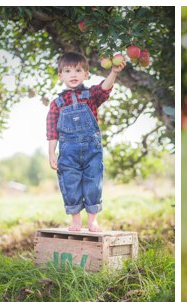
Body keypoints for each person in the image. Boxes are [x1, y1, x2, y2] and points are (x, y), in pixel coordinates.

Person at [46, 52, 123, 232]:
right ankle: (75, 220)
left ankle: (92, 220)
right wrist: (51, 153)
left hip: (91, 149)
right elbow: (52, 132)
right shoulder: (56, 103)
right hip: (68, 151)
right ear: (60, 76)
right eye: (67, 71)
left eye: (78, 70)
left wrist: (114, 72)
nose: (73, 74)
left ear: (86, 74)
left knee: (93, 182)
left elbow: (104, 88)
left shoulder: (91, 95)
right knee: (70, 183)